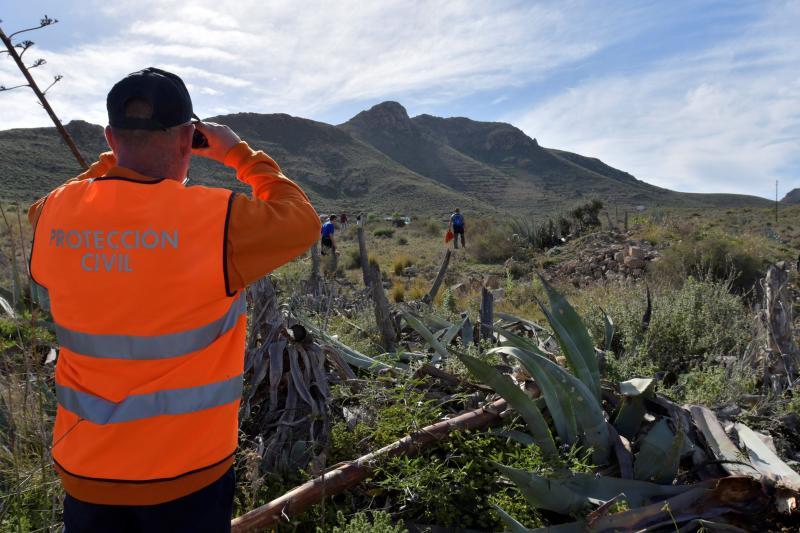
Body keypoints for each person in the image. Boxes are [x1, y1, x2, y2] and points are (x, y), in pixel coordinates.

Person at [27, 67, 320, 533]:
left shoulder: (54, 215)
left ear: (109, 136)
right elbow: (301, 219)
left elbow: (44, 204)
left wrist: (115, 161)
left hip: (86, 471)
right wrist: (239, 154)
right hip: (186, 474)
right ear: (189, 139)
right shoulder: (214, 219)